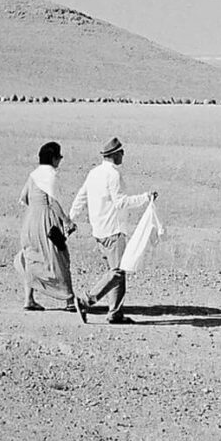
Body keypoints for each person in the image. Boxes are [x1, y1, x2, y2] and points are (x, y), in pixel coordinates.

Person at [70, 137, 155, 324]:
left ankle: (115, 313)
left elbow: (81, 197)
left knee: (117, 272)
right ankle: (86, 301)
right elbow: (120, 202)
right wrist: (145, 197)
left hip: (99, 230)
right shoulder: (114, 175)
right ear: (115, 154)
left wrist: (71, 217)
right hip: (113, 230)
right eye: (122, 152)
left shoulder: (94, 173)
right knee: (118, 271)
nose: (123, 155)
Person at [16, 141, 81, 317]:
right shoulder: (50, 175)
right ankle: (68, 299)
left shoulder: (33, 175)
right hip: (47, 223)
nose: (60, 160)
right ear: (53, 159)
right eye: (59, 157)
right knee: (59, 257)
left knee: (32, 258)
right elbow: (53, 202)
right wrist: (66, 221)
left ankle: (28, 299)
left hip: (30, 221)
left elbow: (24, 198)